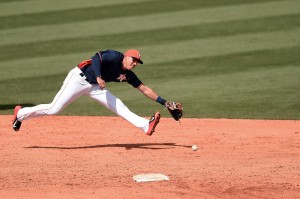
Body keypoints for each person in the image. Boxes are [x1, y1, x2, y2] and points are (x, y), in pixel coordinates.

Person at [12, 49, 170, 136]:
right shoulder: (115, 56)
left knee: (118, 105)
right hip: (78, 79)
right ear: (127, 57)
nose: (135, 63)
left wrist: (165, 102)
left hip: (95, 87)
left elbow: (144, 88)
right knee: (54, 109)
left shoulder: (128, 74)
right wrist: (100, 76)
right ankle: (20, 114)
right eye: (133, 60)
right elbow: (96, 58)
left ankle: (145, 126)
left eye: (137, 62)